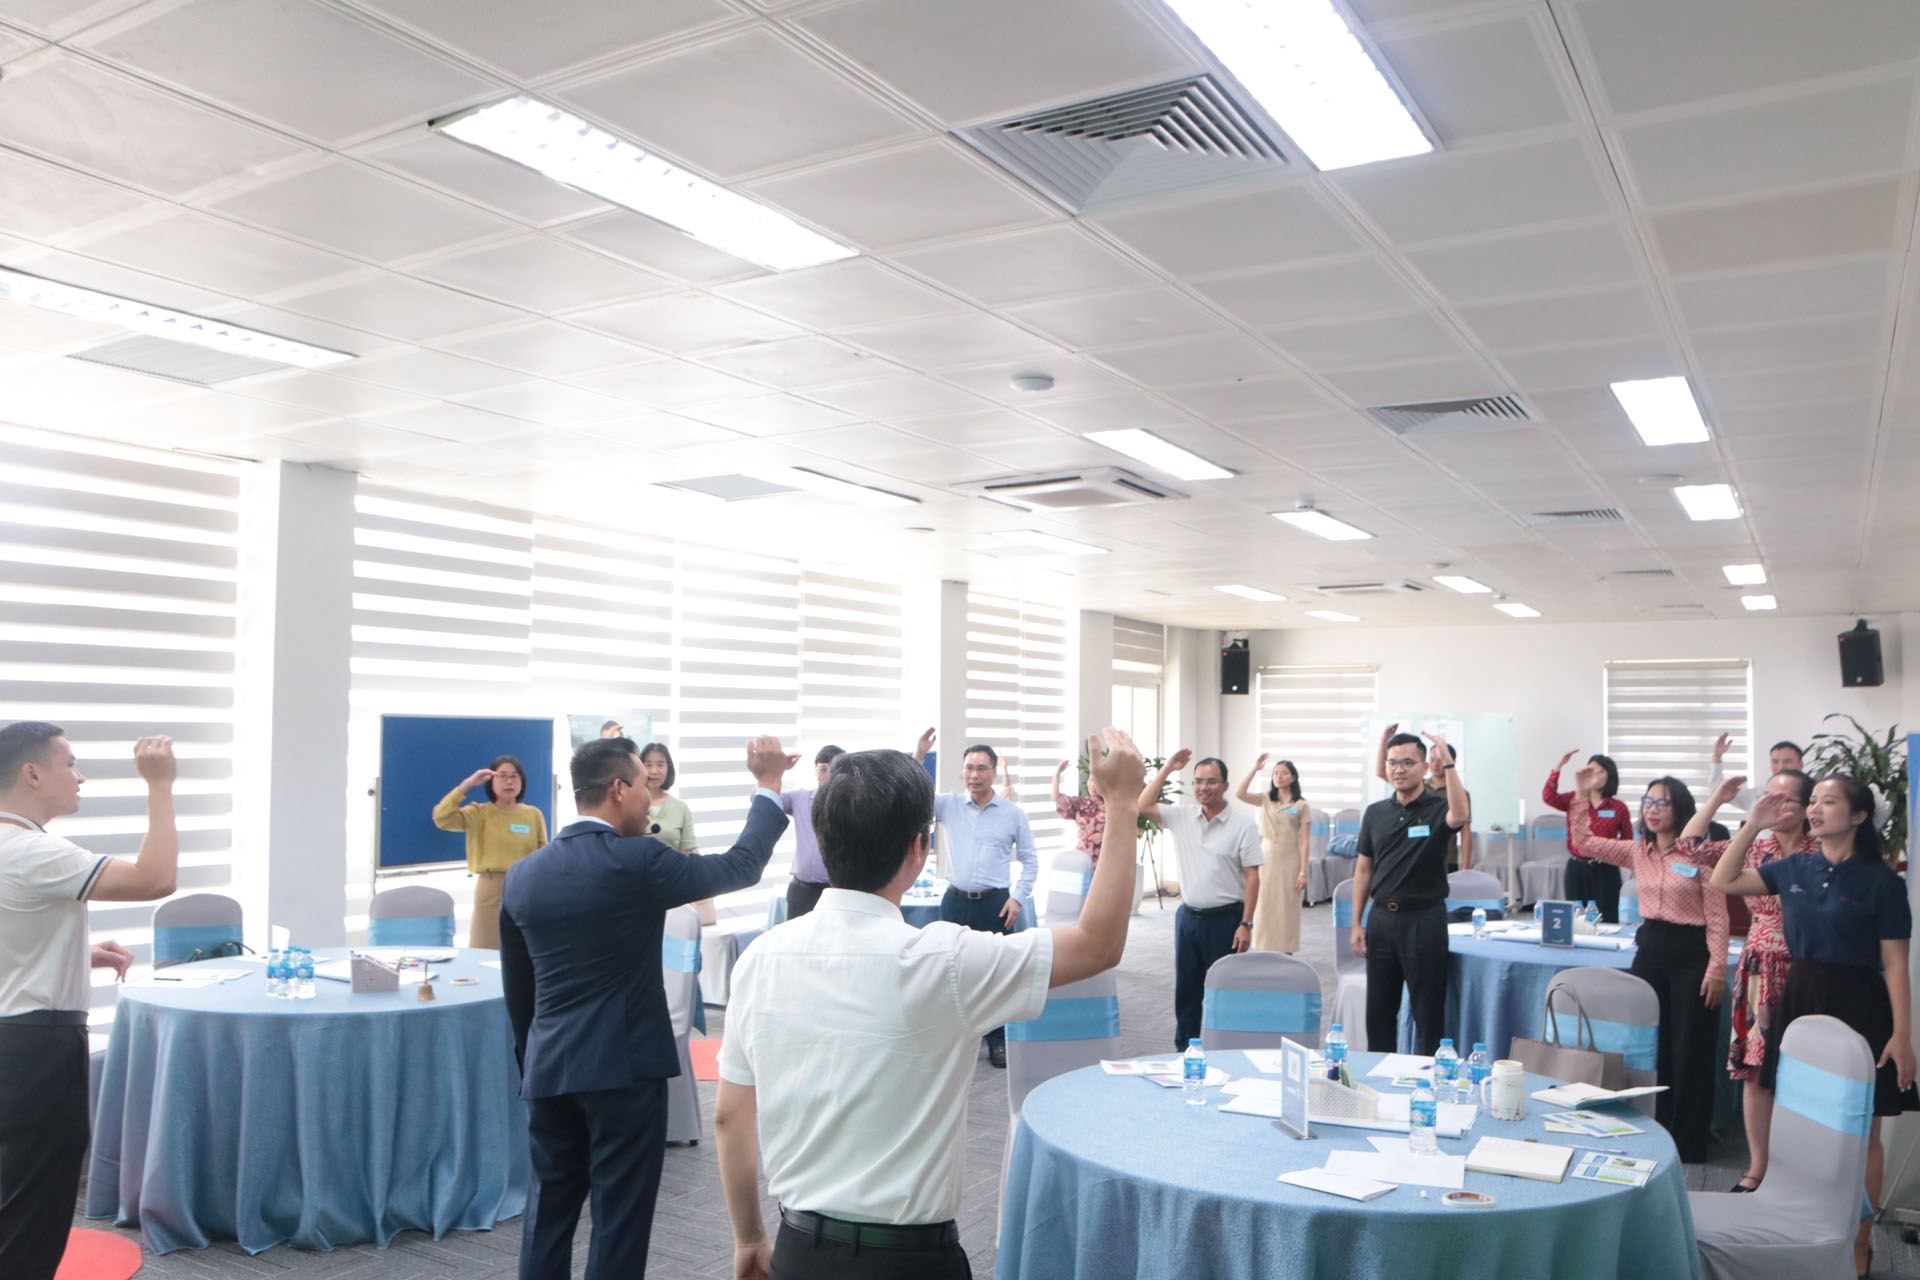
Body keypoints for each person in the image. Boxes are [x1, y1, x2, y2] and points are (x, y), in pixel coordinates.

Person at [715, 729, 1146, 1280]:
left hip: (799, 1248)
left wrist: (749, 1236)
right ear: (918, 849)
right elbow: (1098, 944)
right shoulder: (945, 960)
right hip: (911, 1260)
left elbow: (729, 1115)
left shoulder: (760, 958)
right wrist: (1122, 803)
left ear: (823, 839)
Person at [499, 734, 795, 1280]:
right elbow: (741, 865)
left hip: (549, 1068)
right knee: (619, 1222)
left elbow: (520, 993)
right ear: (618, 789)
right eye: (642, 788)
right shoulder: (637, 860)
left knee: (547, 1217)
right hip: (625, 1072)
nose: (649, 802)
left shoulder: (523, 874)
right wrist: (768, 785)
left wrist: (532, 1060)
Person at [1706, 775, 1915, 1276]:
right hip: (1800, 997)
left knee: (1862, 1128)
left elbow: (1896, 964)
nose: (1816, 810)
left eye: (1829, 801)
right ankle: (1801, 1221)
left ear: (1859, 815)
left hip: (1860, 1002)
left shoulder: (1882, 881)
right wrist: (1752, 825)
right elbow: (1722, 881)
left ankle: (1860, 1241)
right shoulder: (1795, 866)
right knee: (1800, 1116)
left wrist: (1903, 1035)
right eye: (1813, 801)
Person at [0, 722, 180, 1280]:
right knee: (30, 1208)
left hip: (12, 1037)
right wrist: (159, 784)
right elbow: (155, 879)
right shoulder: (32, 851)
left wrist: (76, 953)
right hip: (34, 1048)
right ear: (33, 774)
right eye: (71, 764)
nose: (80, 777)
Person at [1570, 764, 1727, 1164]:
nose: (1653, 809)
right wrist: (1582, 796)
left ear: (1682, 809)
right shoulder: (1637, 851)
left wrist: (1717, 968)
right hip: (1651, 948)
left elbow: (1718, 916)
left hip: (1692, 953)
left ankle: (1688, 1142)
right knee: (1648, 1043)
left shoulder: (1700, 854)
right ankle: (1650, 1129)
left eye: (1663, 803)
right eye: (1648, 801)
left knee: (1690, 1046)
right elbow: (1584, 842)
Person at [1681, 768, 1818, 1193]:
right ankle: (1757, 1168)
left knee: (1806, 1069)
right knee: (1755, 1070)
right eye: (1767, 797)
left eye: (1784, 799)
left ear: (1806, 808)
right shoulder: (1756, 845)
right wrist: (1720, 801)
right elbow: (1687, 848)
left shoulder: (1822, 850)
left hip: (1809, 967)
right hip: (1759, 966)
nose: (1773, 805)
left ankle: (1803, 1170)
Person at [910, 729, 1038, 1068]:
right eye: (969, 768)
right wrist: (919, 756)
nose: (974, 775)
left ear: (994, 772)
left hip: (996, 904)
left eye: (982, 768)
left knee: (995, 974)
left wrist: (1018, 898)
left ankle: (997, 1040)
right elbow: (913, 795)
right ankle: (955, 1039)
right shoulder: (949, 805)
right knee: (950, 971)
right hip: (955, 901)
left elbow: (1030, 861)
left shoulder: (1012, 814)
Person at [1351, 732, 1468, 1056]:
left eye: (1407, 763)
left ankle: (1431, 1078)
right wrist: (1357, 923)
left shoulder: (1438, 808)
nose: (1399, 769)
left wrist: (1448, 762)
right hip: (1381, 920)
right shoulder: (1375, 813)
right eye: (1393, 763)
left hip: (1424, 920)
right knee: (1378, 1013)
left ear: (1424, 767)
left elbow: (1460, 815)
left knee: (1428, 1014)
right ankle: (1379, 1076)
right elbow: (1363, 870)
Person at [1139, 749, 1262, 1049]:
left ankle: (1227, 1050)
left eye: (1211, 781)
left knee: (1225, 990)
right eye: (1197, 781)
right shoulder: (1182, 816)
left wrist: (1246, 923)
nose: (1203, 787)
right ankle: (1185, 1050)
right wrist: (1168, 768)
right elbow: (1143, 804)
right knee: (1187, 991)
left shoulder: (1243, 826)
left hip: (1227, 920)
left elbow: (1252, 877)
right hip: (1188, 918)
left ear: (1225, 786)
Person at [433, 755, 548, 949]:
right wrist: (468, 784)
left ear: (522, 781)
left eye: (514, 776)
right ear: (490, 782)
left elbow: (543, 855)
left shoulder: (533, 814)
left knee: (524, 949)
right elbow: (441, 817)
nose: (509, 781)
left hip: (526, 887)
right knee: (485, 948)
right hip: (491, 887)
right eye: (502, 776)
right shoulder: (479, 813)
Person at [1542, 750, 1633, 922]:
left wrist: (1612, 855)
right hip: (1577, 868)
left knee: (1607, 919)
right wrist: (1559, 765)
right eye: (1591, 770)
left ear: (1610, 776)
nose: (1595, 774)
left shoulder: (1618, 807)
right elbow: (1548, 797)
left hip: (1605, 870)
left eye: (1601, 771)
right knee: (1576, 920)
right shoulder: (1574, 799)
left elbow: (1627, 841)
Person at [1233, 754, 1310, 954]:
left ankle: (1286, 951)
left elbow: (1304, 841)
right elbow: (1239, 793)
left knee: (1287, 907)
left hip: (1290, 860)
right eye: (1276, 773)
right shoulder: (1266, 799)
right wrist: (1254, 769)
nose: (1279, 776)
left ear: (1293, 777)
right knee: (1264, 905)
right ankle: (1264, 949)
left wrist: (1303, 872)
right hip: (1266, 858)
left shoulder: (1301, 805)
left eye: (1284, 773)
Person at [1374, 722, 1473, 869]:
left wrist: (1465, 868)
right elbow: (1382, 772)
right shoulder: (1417, 786)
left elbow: (1465, 831)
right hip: (1415, 855)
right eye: (1432, 760)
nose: (1436, 764)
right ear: (1426, 764)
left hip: (1447, 858)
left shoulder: (1458, 794)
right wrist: (1384, 742)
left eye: (1440, 760)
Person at [780, 746, 844, 920]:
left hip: (835, 893)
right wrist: (776, 771)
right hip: (801, 891)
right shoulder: (799, 798)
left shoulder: (853, 804)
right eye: (823, 769)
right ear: (815, 771)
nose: (829, 774)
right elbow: (761, 798)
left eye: (835, 768)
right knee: (795, 936)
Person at [1707, 733, 1803, 811]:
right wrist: (1717, 756)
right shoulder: (1757, 795)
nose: (1781, 767)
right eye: (1775, 762)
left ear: (1800, 765)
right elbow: (1718, 791)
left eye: (1787, 761)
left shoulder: (1808, 795)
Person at [1051, 758, 1106, 867]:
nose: (1092, 785)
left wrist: (1103, 837)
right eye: (1090, 780)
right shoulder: (1082, 803)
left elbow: (1122, 832)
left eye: (1096, 782)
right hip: (1082, 858)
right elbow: (1057, 797)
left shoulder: (1112, 806)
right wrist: (1057, 774)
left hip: (1104, 860)